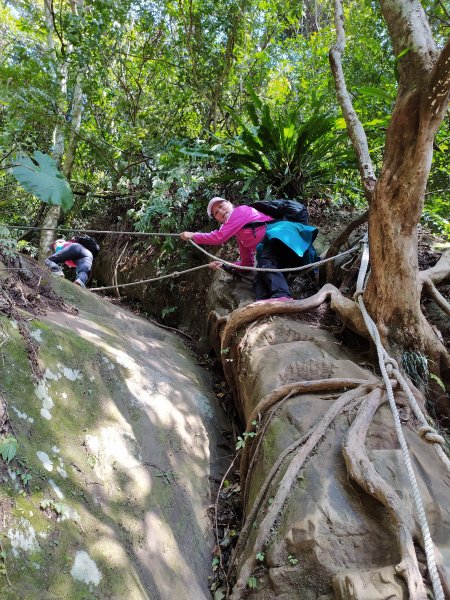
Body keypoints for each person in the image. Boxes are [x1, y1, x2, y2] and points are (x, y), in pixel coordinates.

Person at [180, 197, 318, 302]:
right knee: (259, 279)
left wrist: (193, 235)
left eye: (221, 206)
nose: (221, 211)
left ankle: (283, 297)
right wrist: (225, 265)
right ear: (217, 219)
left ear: (229, 203)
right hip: (277, 248)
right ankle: (263, 303)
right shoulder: (241, 236)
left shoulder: (241, 211)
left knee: (265, 263)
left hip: (283, 234)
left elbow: (218, 237)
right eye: (216, 212)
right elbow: (247, 264)